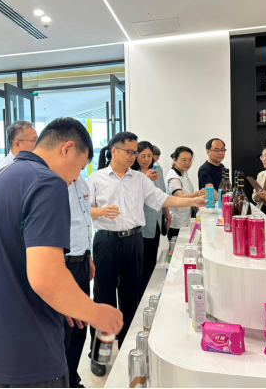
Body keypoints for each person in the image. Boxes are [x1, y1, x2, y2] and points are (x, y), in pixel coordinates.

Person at [0, 117, 123, 388]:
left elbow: (10, 258)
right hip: (24, 357)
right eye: (79, 167)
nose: (75, 178)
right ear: (67, 149)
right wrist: (97, 313)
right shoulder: (47, 182)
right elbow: (46, 278)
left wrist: (64, 300)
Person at [88, 132, 206, 376]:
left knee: (131, 296)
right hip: (106, 242)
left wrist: (193, 201)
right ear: (114, 151)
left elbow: (163, 199)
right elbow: (83, 210)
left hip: (134, 240)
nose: (133, 156)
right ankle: (100, 354)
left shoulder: (140, 180)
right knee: (104, 299)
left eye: (135, 152)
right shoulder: (96, 178)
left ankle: (129, 347)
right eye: (129, 152)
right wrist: (100, 212)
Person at [63, 175, 95, 389]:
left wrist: (89, 256)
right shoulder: (55, 184)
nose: (82, 167)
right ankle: (63, 382)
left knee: (80, 327)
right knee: (65, 329)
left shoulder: (81, 182)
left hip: (82, 260)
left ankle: (73, 379)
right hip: (64, 264)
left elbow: (85, 221)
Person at [131, 141, 170, 301]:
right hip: (140, 224)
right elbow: (132, 200)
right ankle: (139, 297)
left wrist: (167, 215)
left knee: (151, 262)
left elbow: (162, 195)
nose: (147, 159)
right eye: (143, 156)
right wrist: (144, 179)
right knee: (140, 264)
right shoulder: (132, 174)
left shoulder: (157, 170)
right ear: (136, 157)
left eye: (149, 156)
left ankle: (148, 296)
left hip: (155, 222)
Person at [165, 147, 206, 240]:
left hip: (186, 218)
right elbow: (180, 197)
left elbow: (187, 192)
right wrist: (198, 194)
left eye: (190, 160)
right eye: (184, 160)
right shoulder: (173, 177)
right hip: (177, 221)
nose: (187, 163)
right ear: (174, 160)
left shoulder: (183, 173)